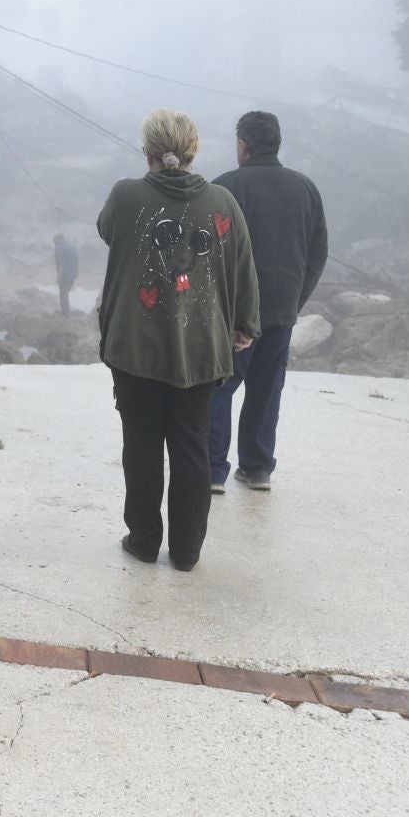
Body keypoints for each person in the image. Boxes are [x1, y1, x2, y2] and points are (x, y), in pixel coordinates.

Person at [96, 109, 260, 571]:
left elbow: (107, 231)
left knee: (142, 445)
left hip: (135, 347)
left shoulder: (127, 196)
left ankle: (145, 540)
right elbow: (244, 267)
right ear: (193, 150)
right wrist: (245, 324)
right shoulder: (222, 202)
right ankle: (187, 552)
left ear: (147, 150)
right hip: (202, 348)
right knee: (192, 447)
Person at [208, 111, 328, 492]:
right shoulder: (305, 188)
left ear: (242, 146)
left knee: (218, 386)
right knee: (266, 388)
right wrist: (295, 299)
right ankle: (257, 468)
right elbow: (317, 253)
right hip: (281, 310)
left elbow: (205, 254)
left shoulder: (224, 189)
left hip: (231, 314)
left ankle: (213, 470)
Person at [53, 232, 79, 314]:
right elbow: (76, 260)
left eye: (54, 241)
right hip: (72, 274)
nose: (54, 243)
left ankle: (65, 312)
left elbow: (61, 265)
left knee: (63, 293)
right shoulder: (71, 247)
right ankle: (66, 311)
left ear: (57, 240)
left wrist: (59, 278)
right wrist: (75, 273)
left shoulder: (59, 248)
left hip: (64, 275)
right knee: (65, 292)